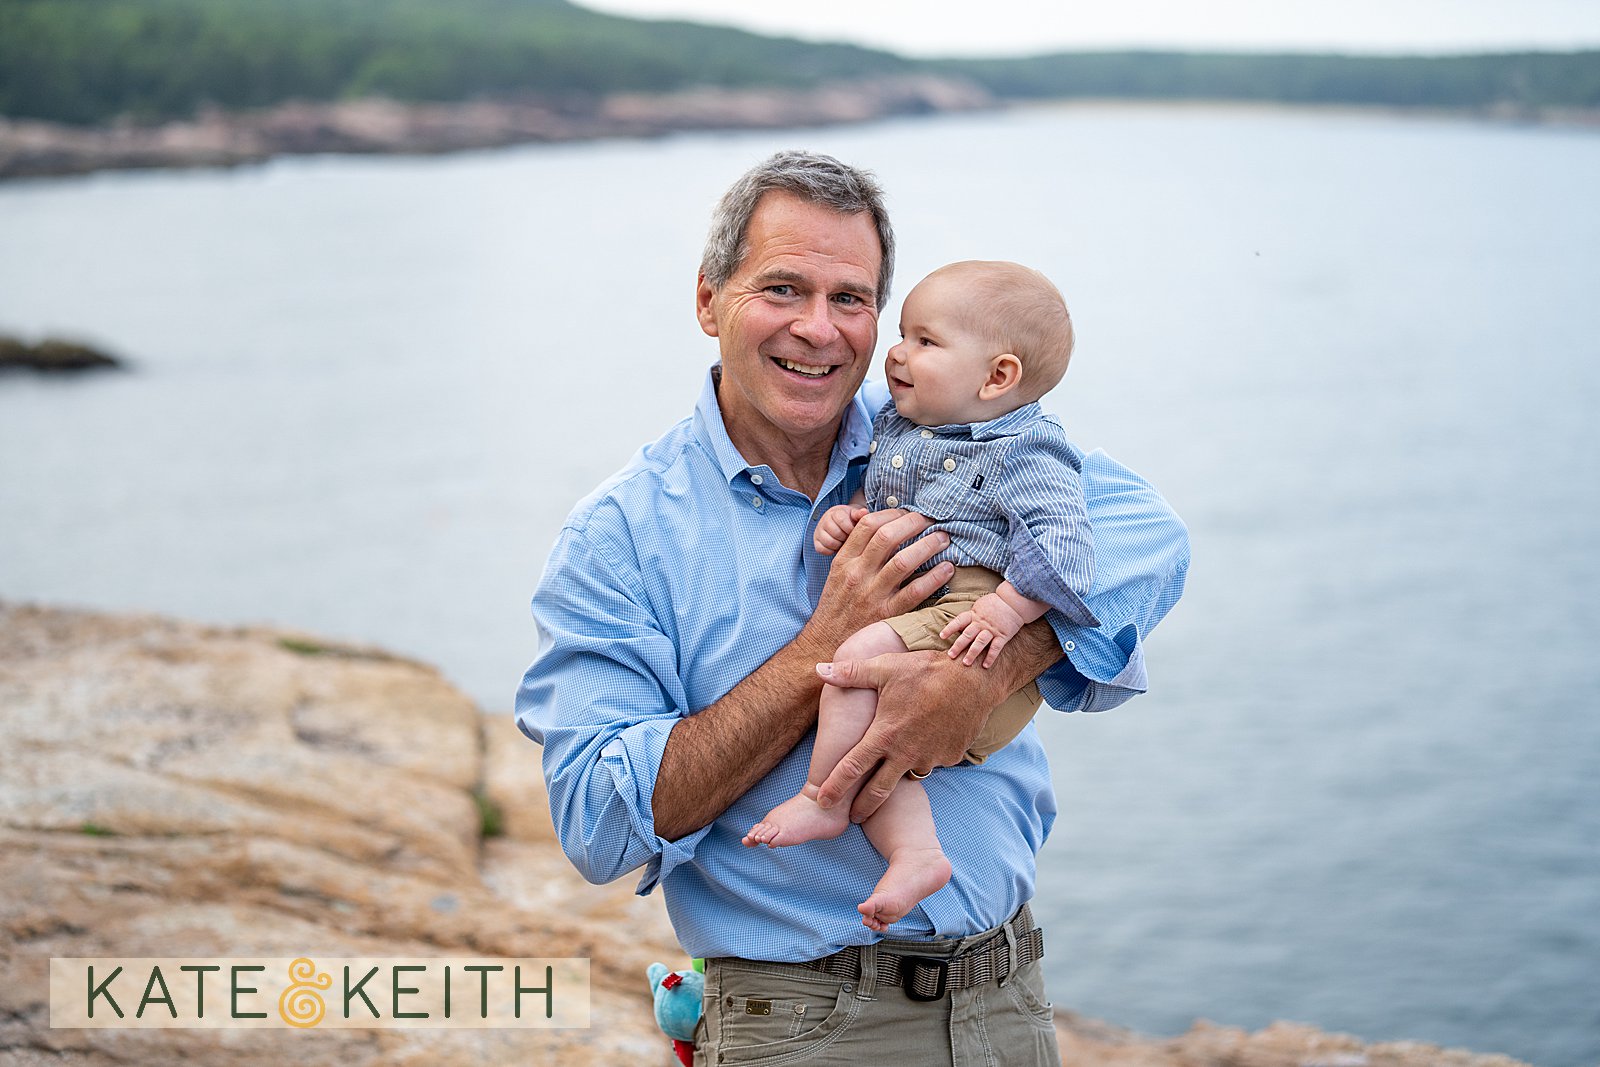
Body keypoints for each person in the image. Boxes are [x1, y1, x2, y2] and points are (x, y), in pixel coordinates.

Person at [517, 150, 1188, 1066]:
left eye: (852, 298)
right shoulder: (620, 534)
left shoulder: (949, 434)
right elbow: (598, 821)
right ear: (709, 300)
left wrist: (976, 669)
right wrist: (816, 654)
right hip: (805, 1027)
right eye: (783, 288)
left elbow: (1148, 534)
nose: (819, 330)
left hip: (1009, 1004)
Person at [743, 259, 1100, 936]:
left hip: (974, 607)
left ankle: (825, 796)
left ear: (997, 377)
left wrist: (1012, 609)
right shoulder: (905, 427)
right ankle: (917, 853)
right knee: (888, 725)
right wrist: (847, 515)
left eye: (925, 341)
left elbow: (1066, 544)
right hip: (930, 604)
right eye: (902, 333)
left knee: (856, 661)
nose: (897, 353)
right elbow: (889, 496)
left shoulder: (1027, 448)